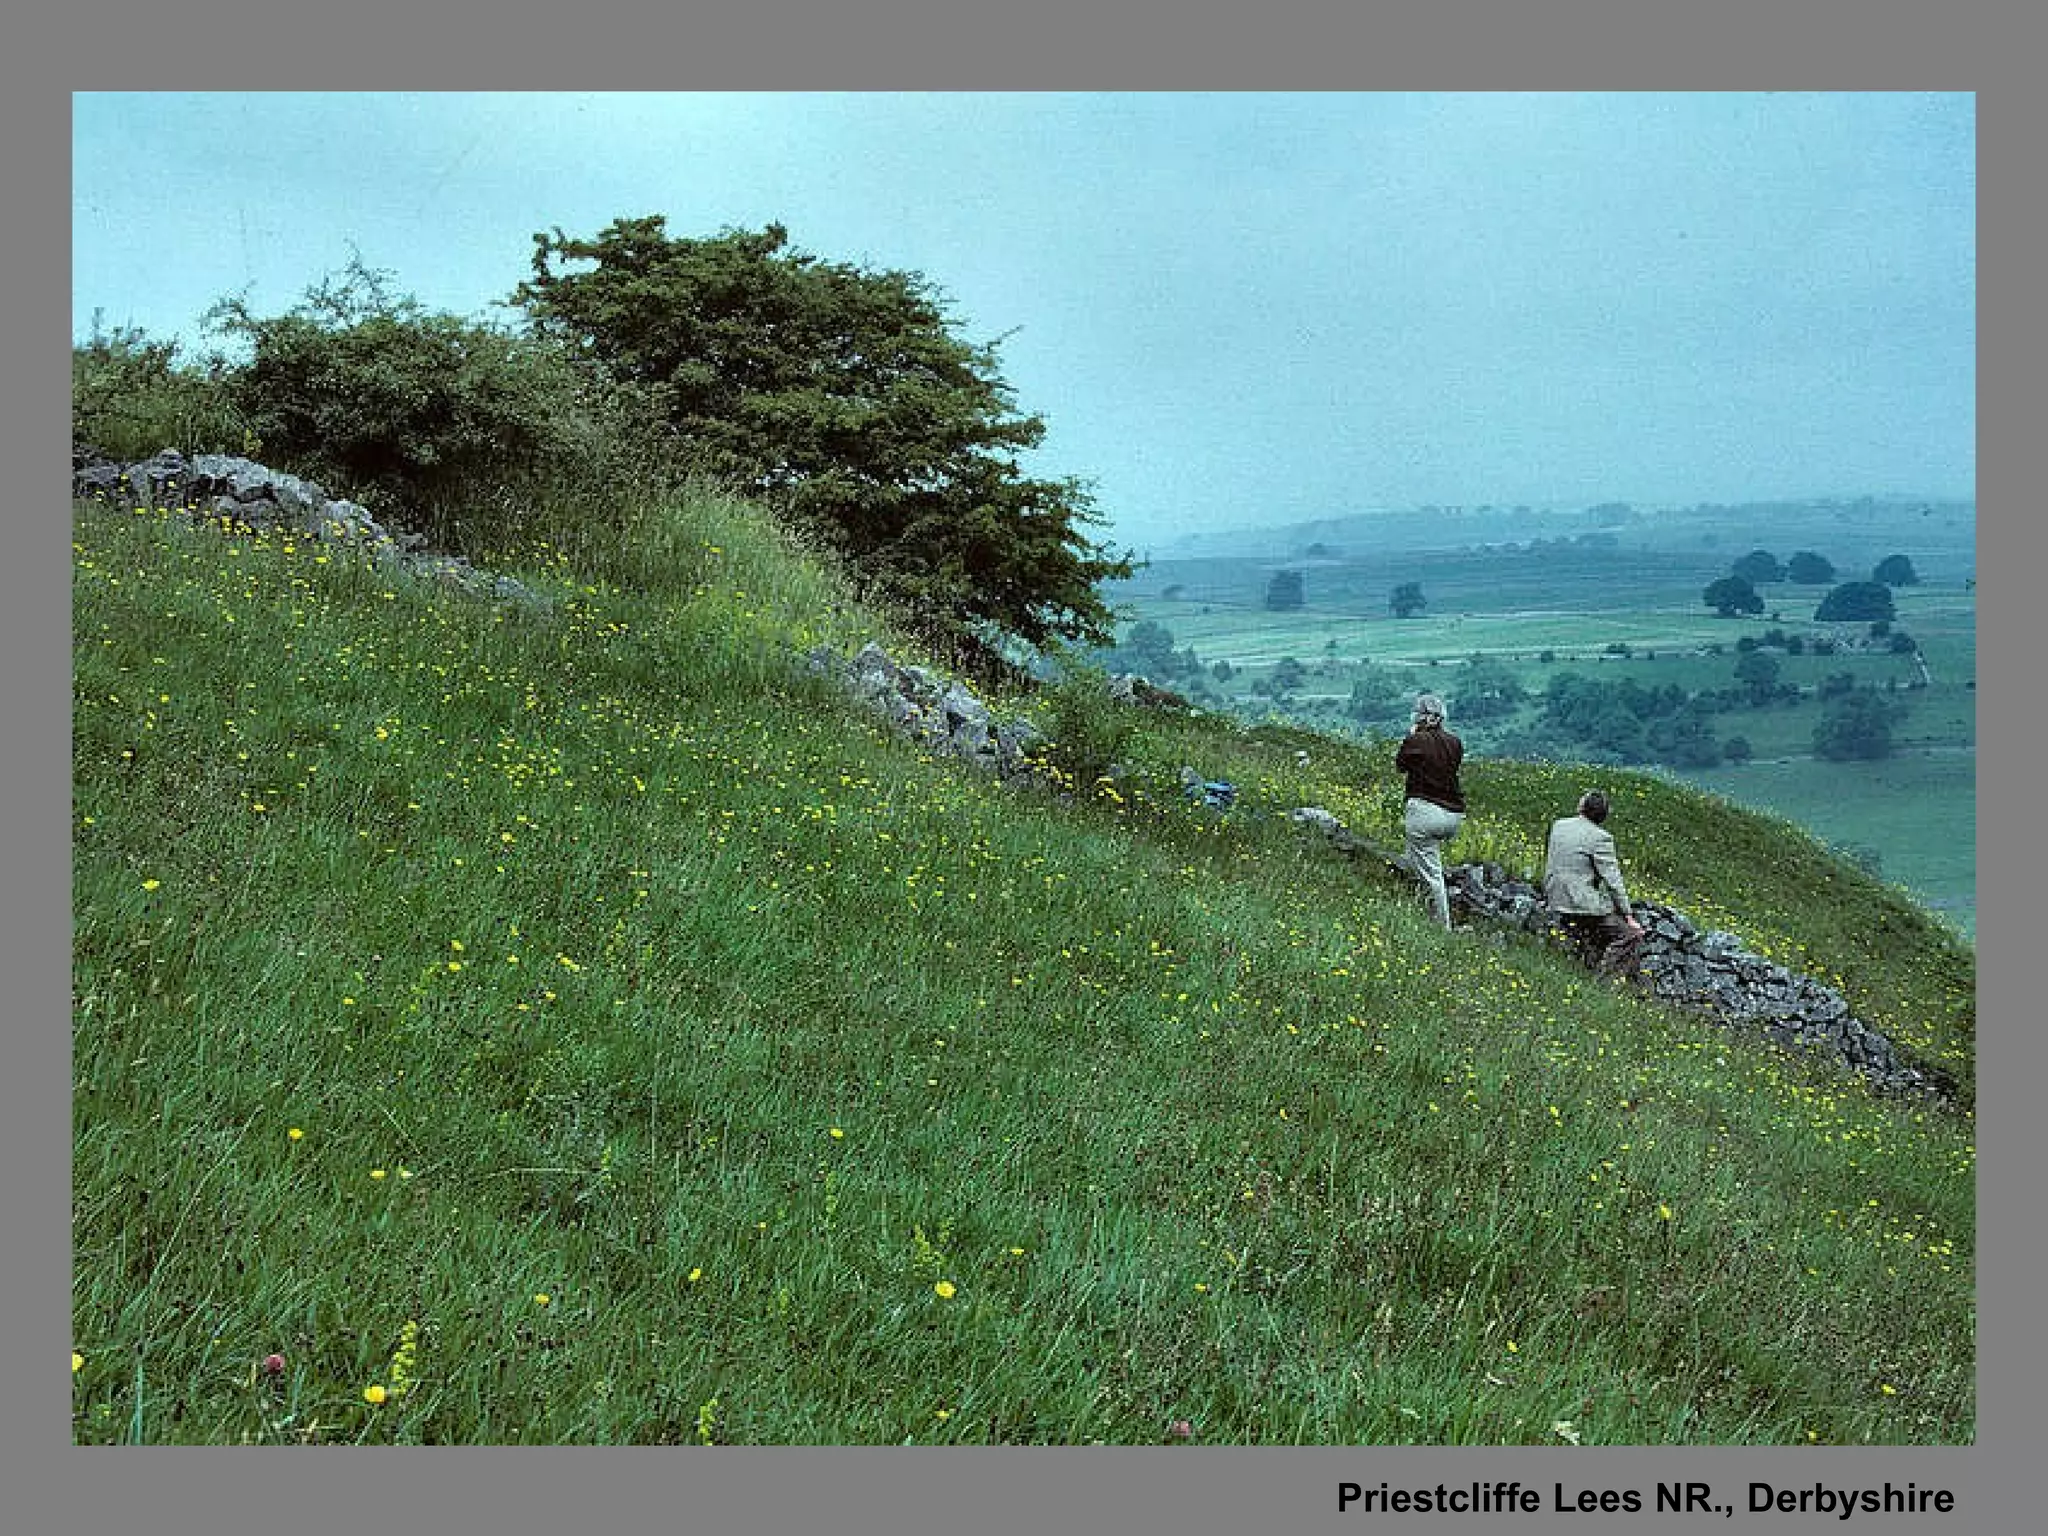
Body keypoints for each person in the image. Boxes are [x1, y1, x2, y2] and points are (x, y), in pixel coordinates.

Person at [1541, 789, 1645, 978]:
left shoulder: (1559, 825)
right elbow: (1613, 880)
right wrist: (1629, 916)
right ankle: (1605, 980)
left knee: (1592, 927)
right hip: (1578, 902)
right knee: (1629, 935)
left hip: (1553, 894)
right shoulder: (1600, 838)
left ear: (1581, 807)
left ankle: (1586, 961)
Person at [1393, 691, 1465, 929]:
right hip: (1453, 814)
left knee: (1432, 873)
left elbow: (1401, 765)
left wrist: (1411, 736)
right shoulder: (1455, 742)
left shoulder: (1417, 740)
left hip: (1425, 811)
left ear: (1420, 717)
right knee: (1416, 857)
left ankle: (1442, 926)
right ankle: (1412, 904)